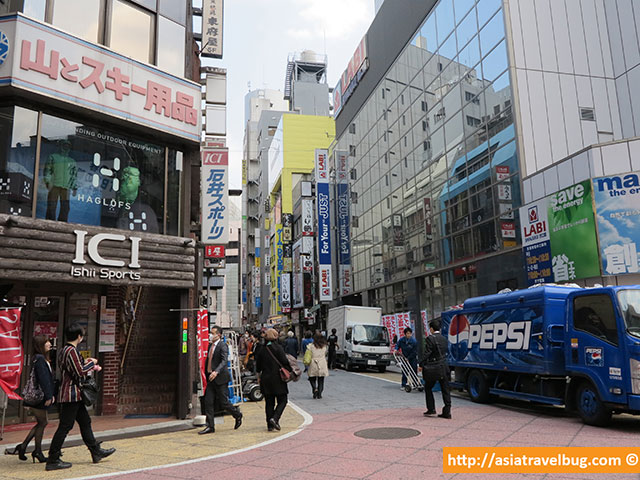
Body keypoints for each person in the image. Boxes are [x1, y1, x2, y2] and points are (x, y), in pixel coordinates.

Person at [46, 323, 115, 471]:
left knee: (85, 421)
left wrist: (85, 362)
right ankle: (53, 458)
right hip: (71, 394)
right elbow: (80, 371)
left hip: (74, 394)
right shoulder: (70, 351)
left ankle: (95, 451)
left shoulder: (65, 350)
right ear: (79, 336)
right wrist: (92, 363)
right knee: (65, 426)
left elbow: (75, 368)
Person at [12, 336, 55, 463]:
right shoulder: (40, 359)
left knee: (42, 422)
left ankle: (25, 447)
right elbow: (43, 379)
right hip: (39, 397)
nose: (49, 344)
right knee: (42, 423)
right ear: (40, 345)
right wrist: (49, 395)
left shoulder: (38, 358)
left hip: (37, 396)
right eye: (46, 341)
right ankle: (35, 450)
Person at [200, 326, 243, 435]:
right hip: (211, 378)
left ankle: (237, 415)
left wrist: (216, 371)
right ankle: (210, 426)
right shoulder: (210, 346)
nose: (210, 335)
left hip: (220, 378)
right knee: (208, 402)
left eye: (213, 333)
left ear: (218, 335)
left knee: (223, 402)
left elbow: (224, 361)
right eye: (210, 333)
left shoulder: (223, 345)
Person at [255, 329, 292, 431]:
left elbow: (258, 366)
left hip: (265, 379)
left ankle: (270, 425)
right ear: (276, 336)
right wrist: (290, 370)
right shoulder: (278, 348)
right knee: (283, 400)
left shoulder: (262, 349)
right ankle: (275, 418)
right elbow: (285, 362)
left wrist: (258, 376)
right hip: (278, 379)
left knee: (269, 402)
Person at [419, 319, 451, 419]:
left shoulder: (430, 338)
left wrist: (421, 364)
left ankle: (431, 409)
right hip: (444, 366)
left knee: (428, 388)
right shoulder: (444, 338)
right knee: (445, 389)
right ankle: (447, 411)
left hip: (433, 367)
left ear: (432, 329)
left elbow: (427, 353)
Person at [44, 139, 77, 222]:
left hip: (66, 187)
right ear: (61, 146)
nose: (66, 147)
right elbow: (47, 170)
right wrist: (48, 181)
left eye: (68, 145)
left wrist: (74, 187)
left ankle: (62, 223)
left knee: (65, 207)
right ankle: (50, 222)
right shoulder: (53, 157)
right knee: (52, 205)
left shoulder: (72, 161)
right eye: (65, 145)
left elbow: (74, 175)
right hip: (54, 185)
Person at [307, 332, 329, 399]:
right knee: (321, 380)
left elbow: (308, 354)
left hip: (313, 363)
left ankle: (314, 389)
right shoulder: (324, 346)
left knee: (312, 378)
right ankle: (319, 394)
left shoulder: (311, 346)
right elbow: (326, 354)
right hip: (322, 363)